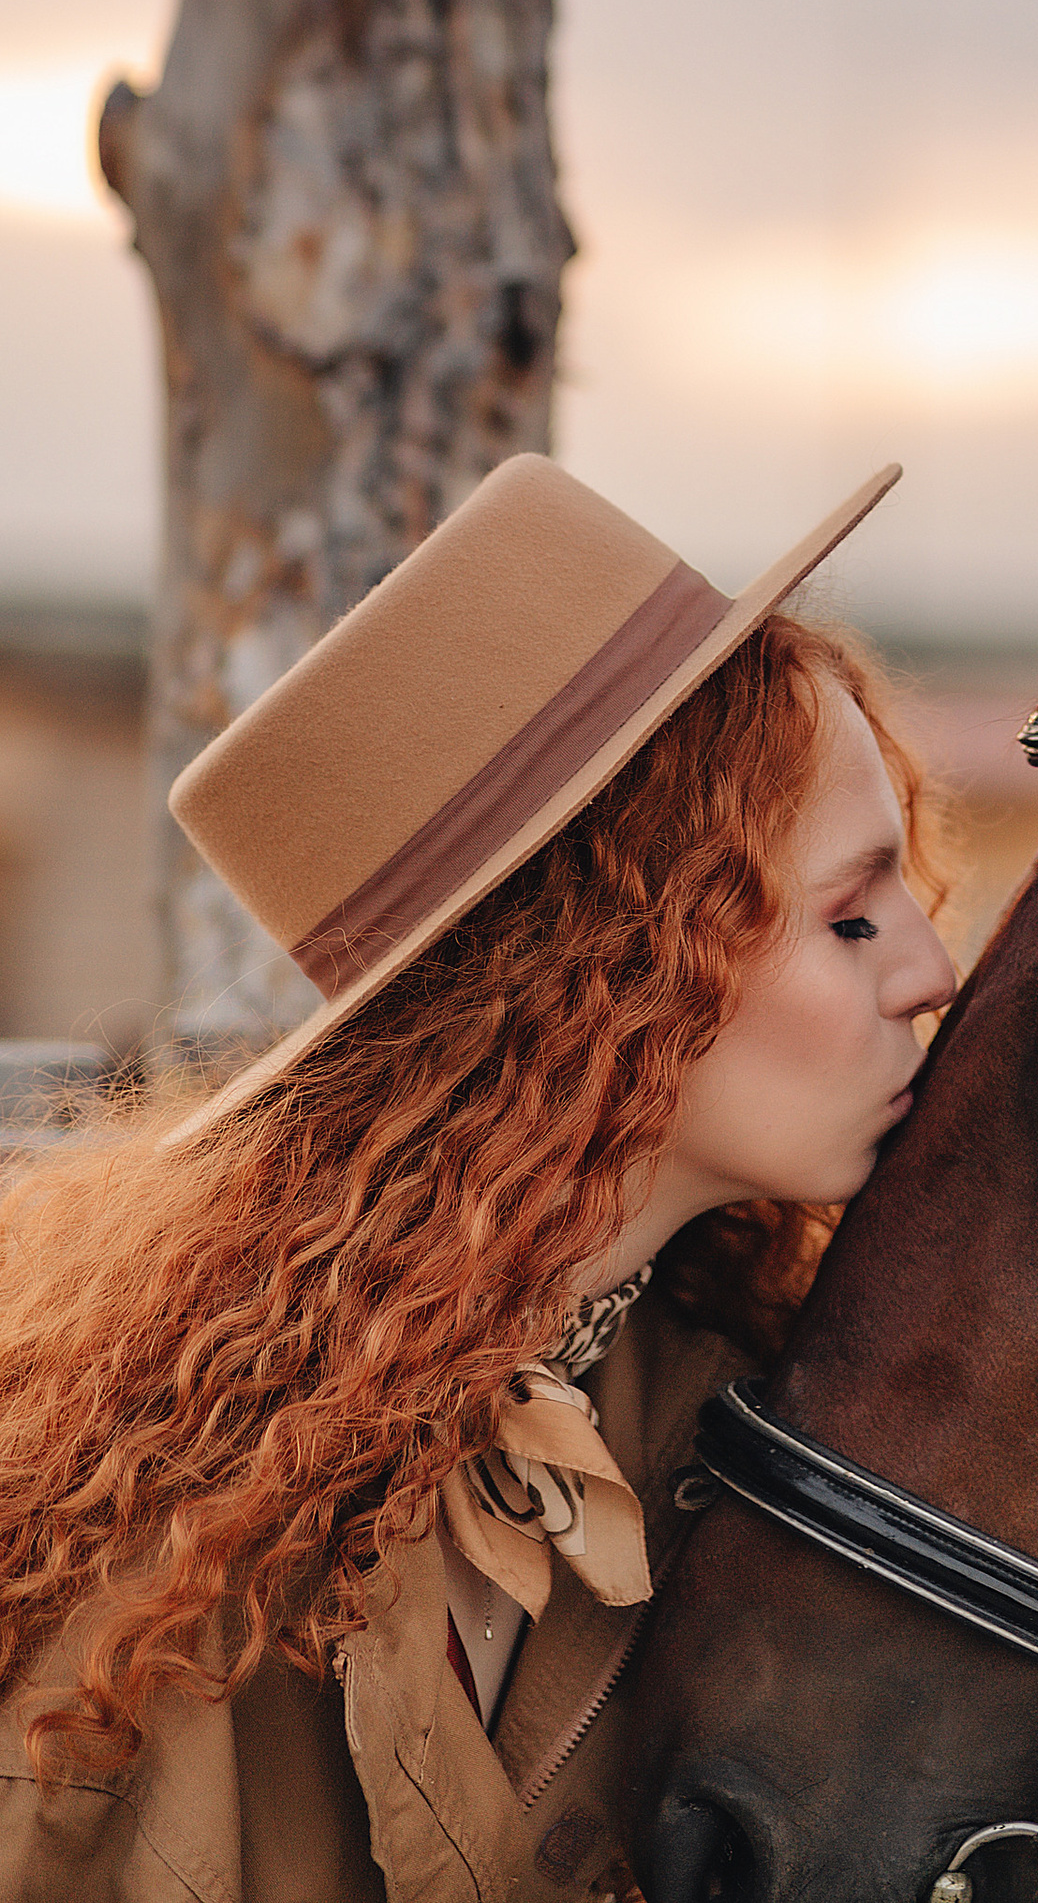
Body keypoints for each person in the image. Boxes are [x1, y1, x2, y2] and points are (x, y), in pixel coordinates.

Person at [0, 450, 958, 1903]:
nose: (934, 968)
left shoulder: (737, 1412)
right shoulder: (170, 1571)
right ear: (619, 969)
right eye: (850, 917)